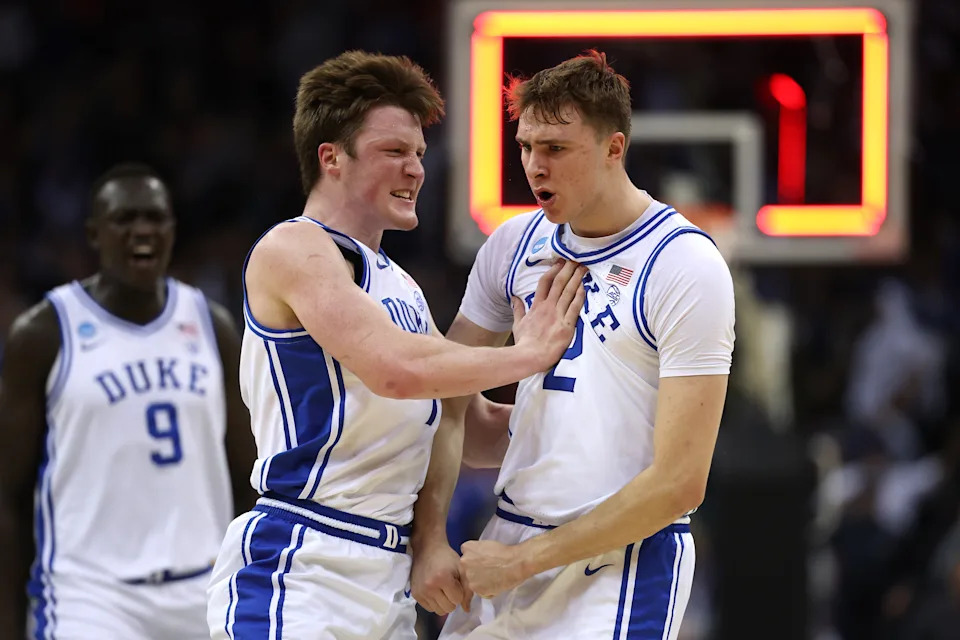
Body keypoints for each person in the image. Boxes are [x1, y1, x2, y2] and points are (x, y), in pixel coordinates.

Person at [205, 50, 585, 640]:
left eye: (419, 155)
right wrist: (529, 353)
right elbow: (394, 370)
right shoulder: (295, 249)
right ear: (331, 158)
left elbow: (467, 426)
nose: (415, 171)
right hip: (302, 563)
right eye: (393, 153)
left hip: (387, 576)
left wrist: (605, 421)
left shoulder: (399, 285)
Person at [410, 50, 736, 639]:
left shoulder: (685, 264)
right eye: (526, 147)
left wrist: (524, 562)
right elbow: (447, 397)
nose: (536, 166)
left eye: (556, 149)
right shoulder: (511, 244)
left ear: (615, 148)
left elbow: (681, 482)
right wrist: (429, 537)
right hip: (508, 539)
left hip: (618, 562)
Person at [0, 162, 258, 639]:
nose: (143, 231)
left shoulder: (212, 326)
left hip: (201, 588)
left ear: (173, 230)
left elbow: (248, 474)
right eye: (126, 219)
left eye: (156, 218)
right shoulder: (43, 334)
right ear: (94, 234)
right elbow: (9, 494)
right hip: (90, 595)